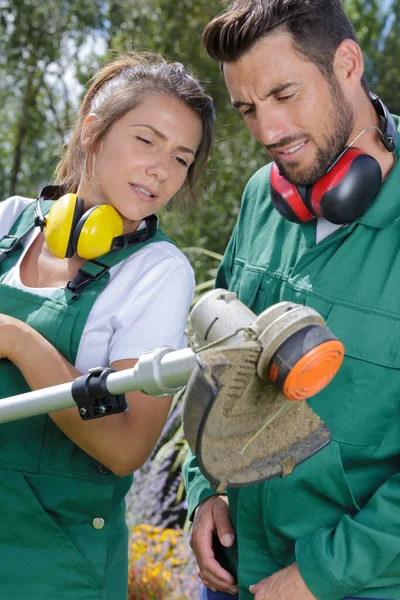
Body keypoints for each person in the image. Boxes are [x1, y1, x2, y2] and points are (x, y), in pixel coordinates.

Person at [182, 1, 400, 599]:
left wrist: (322, 573)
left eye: (285, 94)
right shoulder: (262, 195)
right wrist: (206, 492)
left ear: (348, 64)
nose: (268, 133)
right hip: (232, 573)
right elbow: (212, 358)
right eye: (248, 109)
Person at [0, 52, 215, 599]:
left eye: (181, 158)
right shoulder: (7, 222)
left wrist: (19, 341)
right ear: (93, 132)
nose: (162, 170)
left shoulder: (159, 272)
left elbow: (125, 448)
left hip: (53, 569)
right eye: (147, 140)